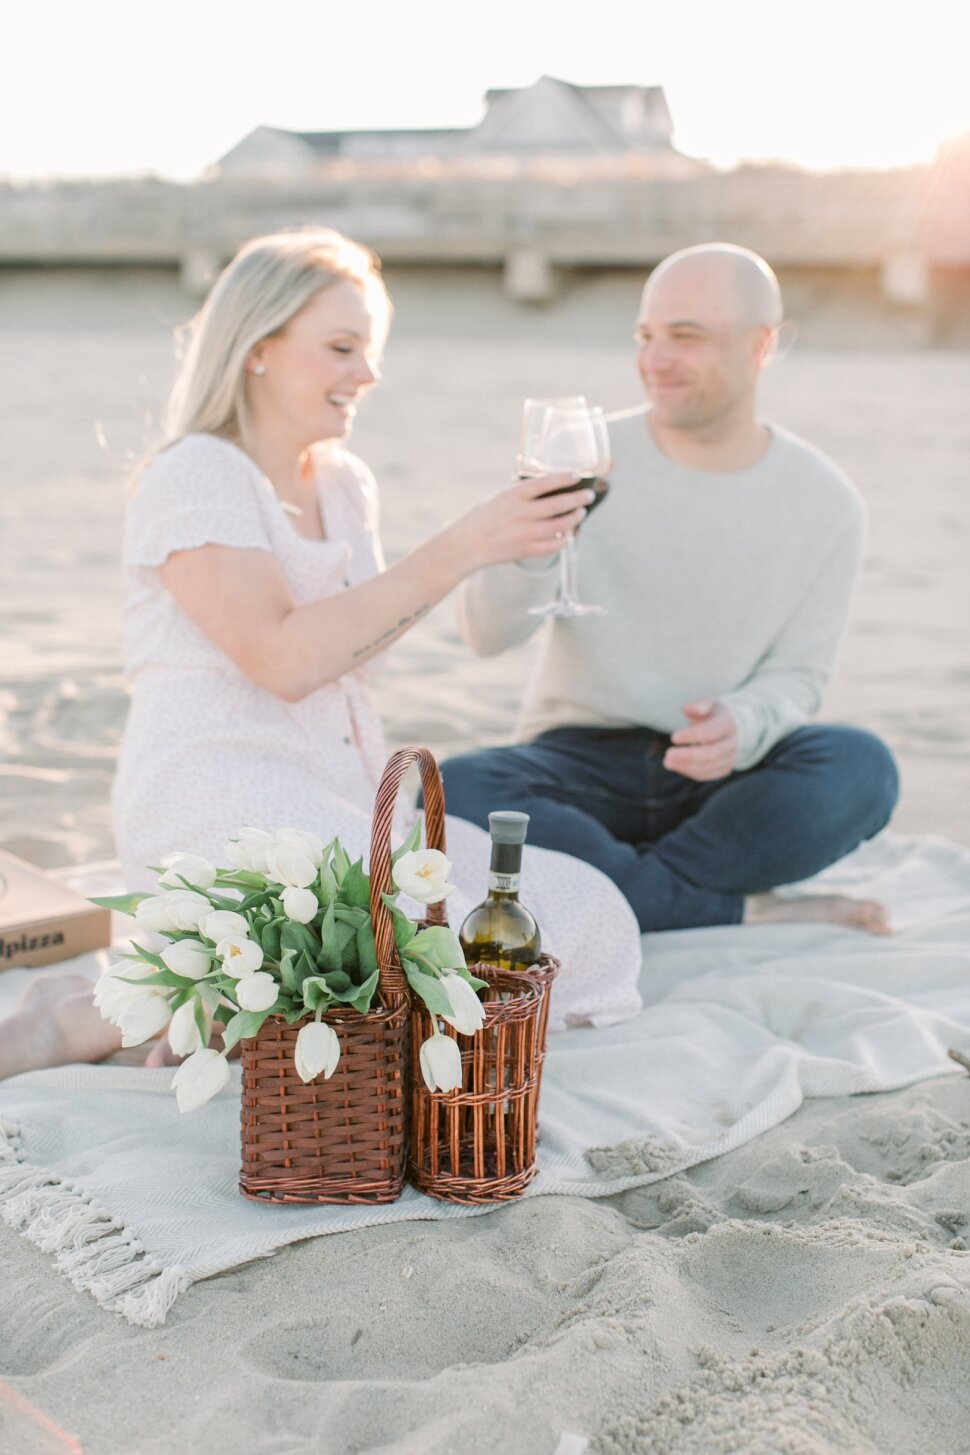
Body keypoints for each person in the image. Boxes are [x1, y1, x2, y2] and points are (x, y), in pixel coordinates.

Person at [0, 228, 643, 1081]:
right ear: (258, 348)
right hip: (215, 797)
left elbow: (357, 651)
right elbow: (283, 659)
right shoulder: (194, 472)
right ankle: (85, 1018)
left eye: (368, 351)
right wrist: (459, 547)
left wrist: (504, 554)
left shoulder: (345, 483)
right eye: (341, 348)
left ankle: (211, 1007)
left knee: (585, 911)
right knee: (422, 955)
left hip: (339, 795)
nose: (366, 375)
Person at [440, 244, 900, 935]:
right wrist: (534, 542)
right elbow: (483, 635)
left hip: (722, 780)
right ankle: (728, 908)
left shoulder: (827, 502)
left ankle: (625, 889)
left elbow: (798, 678)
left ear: (762, 344)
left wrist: (742, 724)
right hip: (576, 764)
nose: (654, 360)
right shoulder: (582, 458)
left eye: (685, 337)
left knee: (863, 769)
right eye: (645, 336)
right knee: (449, 790)